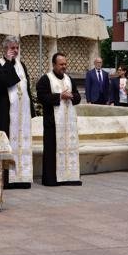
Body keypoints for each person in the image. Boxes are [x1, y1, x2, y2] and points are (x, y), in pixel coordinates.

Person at [0, 35, 33, 188]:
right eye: (12, 48)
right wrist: (8, 63)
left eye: (17, 48)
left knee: (23, 143)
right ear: (5, 49)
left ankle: (22, 177)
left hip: (22, 114)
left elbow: (26, 89)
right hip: (5, 114)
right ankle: (7, 180)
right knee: (8, 144)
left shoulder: (22, 65)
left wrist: (31, 112)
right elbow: (8, 82)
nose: (15, 51)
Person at [36, 52, 82, 186]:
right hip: (53, 123)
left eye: (65, 64)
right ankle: (52, 179)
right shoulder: (46, 79)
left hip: (69, 124)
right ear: (54, 65)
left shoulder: (69, 79)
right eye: (61, 64)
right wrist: (59, 96)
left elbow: (78, 97)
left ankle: (70, 177)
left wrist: (72, 96)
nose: (64, 66)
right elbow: (41, 97)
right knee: (52, 151)